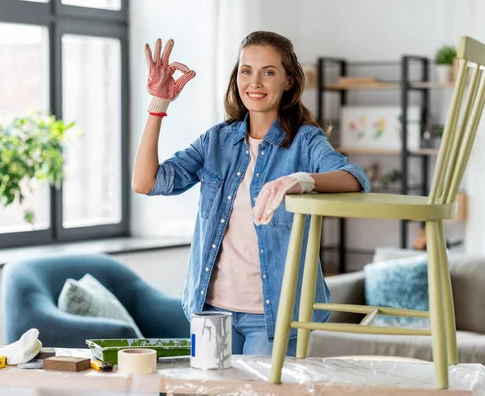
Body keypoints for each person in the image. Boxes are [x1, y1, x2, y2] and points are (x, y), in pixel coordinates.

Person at [132, 31, 370, 356]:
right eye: (247, 71)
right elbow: (146, 182)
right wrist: (159, 104)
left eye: (268, 72)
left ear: (288, 81)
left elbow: (354, 178)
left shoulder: (305, 141)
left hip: (272, 318)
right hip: (211, 311)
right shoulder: (216, 141)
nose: (255, 82)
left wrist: (300, 180)